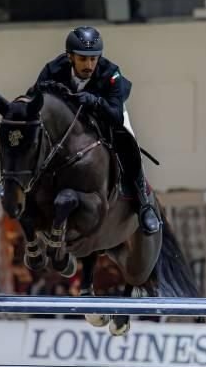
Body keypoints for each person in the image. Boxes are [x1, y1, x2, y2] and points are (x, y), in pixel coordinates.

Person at [33, 25, 161, 235]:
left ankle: (143, 204)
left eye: (93, 59)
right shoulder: (53, 70)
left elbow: (116, 115)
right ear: (70, 57)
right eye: (83, 59)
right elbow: (35, 100)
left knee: (127, 140)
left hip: (107, 112)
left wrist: (95, 101)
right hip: (69, 119)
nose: (89, 65)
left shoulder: (111, 73)